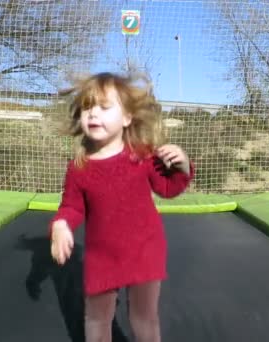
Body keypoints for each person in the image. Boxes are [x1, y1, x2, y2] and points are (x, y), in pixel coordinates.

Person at [49, 72, 195, 342]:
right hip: (102, 255)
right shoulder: (79, 168)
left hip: (144, 249)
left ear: (127, 117)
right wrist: (61, 224)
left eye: (104, 108)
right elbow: (72, 206)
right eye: (87, 107)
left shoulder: (141, 155)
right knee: (96, 318)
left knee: (143, 318)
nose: (93, 114)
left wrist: (182, 166)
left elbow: (167, 188)